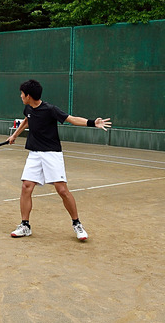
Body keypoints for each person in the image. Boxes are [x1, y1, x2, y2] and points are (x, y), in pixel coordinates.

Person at [7, 79, 111, 241]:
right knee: (26, 187)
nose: (20, 96)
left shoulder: (50, 109)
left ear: (28, 95)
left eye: (22, 94)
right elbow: (27, 120)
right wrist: (14, 135)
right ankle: (25, 225)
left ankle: (77, 224)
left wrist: (92, 123)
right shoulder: (28, 107)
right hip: (34, 153)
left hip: (52, 154)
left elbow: (71, 119)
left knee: (62, 190)